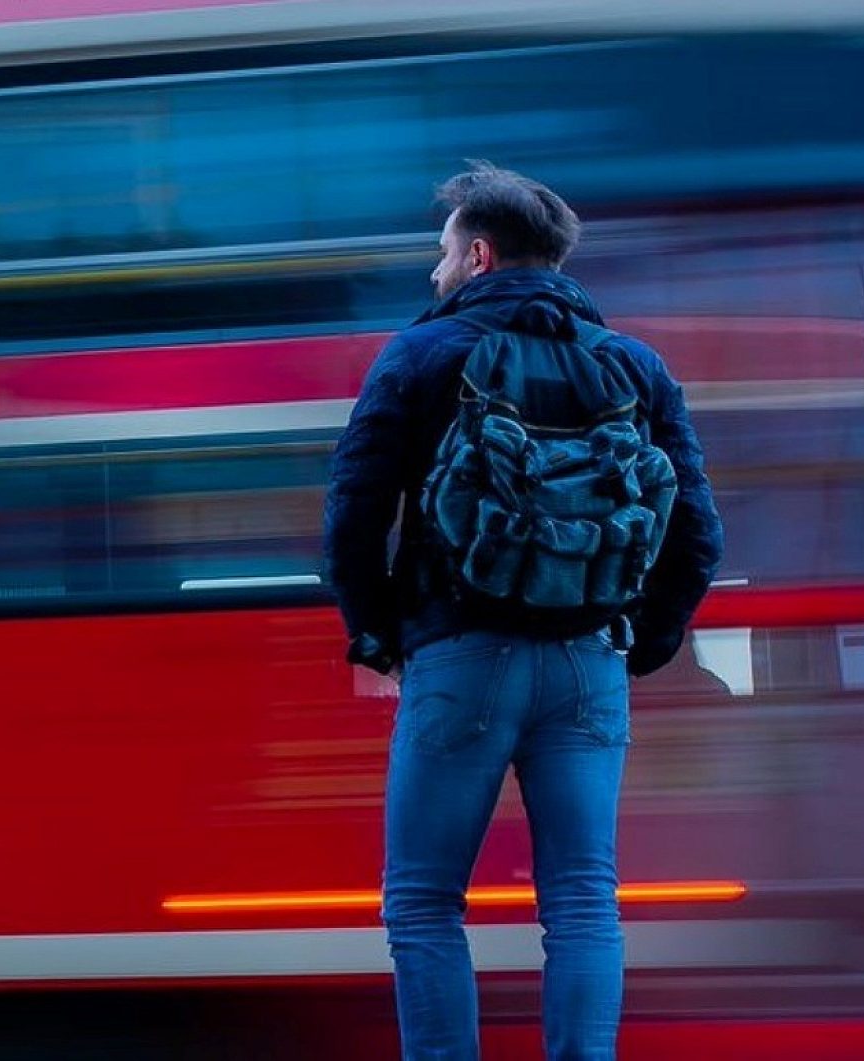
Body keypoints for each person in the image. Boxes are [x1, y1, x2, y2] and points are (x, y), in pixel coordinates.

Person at [323, 162, 724, 1060]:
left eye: (442, 254)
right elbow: (698, 536)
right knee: (581, 900)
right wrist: (638, 644)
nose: (435, 271)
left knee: (424, 901)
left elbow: (352, 515)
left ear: (478, 255)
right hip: (589, 659)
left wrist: (384, 636)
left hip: (459, 652)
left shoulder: (419, 355)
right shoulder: (634, 366)